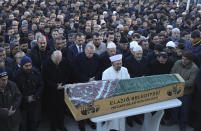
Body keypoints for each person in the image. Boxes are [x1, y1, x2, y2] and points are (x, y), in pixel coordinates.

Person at [42, 50, 71, 131]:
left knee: (61, 110)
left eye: (59, 60)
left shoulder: (64, 62)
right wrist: (55, 86)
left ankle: (61, 125)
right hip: (50, 91)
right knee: (52, 111)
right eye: (56, 60)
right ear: (52, 57)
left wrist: (63, 84)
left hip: (61, 90)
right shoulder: (45, 64)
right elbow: (45, 78)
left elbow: (67, 74)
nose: (58, 62)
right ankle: (53, 127)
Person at [170, 51, 199, 131]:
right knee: (174, 107)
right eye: (182, 58)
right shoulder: (177, 63)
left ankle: (183, 124)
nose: (183, 60)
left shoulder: (194, 68)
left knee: (184, 110)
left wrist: (178, 84)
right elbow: (172, 73)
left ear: (190, 60)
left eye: (185, 59)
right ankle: (173, 120)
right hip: (175, 90)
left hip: (186, 93)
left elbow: (191, 82)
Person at [14, 56, 43, 131]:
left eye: (30, 65)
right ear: (22, 65)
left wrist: (36, 95)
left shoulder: (36, 73)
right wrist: (26, 98)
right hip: (23, 105)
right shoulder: (17, 75)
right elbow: (16, 91)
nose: (28, 67)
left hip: (34, 103)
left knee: (34, 122)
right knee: (23, 125)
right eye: (26, 66)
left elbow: (41, 85)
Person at [102, 54, 130, 131]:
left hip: (123, 98)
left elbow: (129, 82)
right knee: (113, 121)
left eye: (120, 63)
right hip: (112, 99)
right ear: (112, 64)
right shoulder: (106, 72)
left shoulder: (125, 69)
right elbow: (105, 88)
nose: (119, 66)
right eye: (117, 64)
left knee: (122, 119)